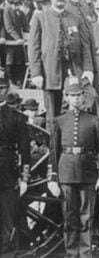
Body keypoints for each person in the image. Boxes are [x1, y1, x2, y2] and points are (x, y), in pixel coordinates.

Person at [47, 76, 99, 258]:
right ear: (66, 98)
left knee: (86, 217)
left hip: (88, 173)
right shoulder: (59, 121)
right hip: (66, 172)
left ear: (83, 97)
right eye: (72, 95)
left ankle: (85, 253)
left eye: (79, 95)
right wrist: (52, 178)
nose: (76, 99)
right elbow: (53, 152)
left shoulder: (94, 121)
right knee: (69, 218)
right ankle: (72, 254)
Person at [28, 0, 94, 127]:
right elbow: (34, 48)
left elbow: (85, 46)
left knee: (91, 99)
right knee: (53, 113)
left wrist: (88, 69)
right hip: (50, 71)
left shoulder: (76, 18)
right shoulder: (41, 18)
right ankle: (54, 148)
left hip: (74, 70)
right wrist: (36, 73)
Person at [0, 68, 30, 258]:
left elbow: (25, 151)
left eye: (2, 87)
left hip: (7, 174)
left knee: (7, 219)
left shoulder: (17, 118)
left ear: (7, 88)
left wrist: (25, 178)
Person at [3, 0, 28, 88]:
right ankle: (10, 81)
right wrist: (18, 38)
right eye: (15, 4)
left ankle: (18, 81)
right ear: (10, 4)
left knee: (19, 60)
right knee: (10, 60)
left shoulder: (20, 12)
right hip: (10, 40)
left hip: (19, 41)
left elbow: (26, 26)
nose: (17, 6)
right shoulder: (7, 10)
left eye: (18, 4)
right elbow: (8, 27)